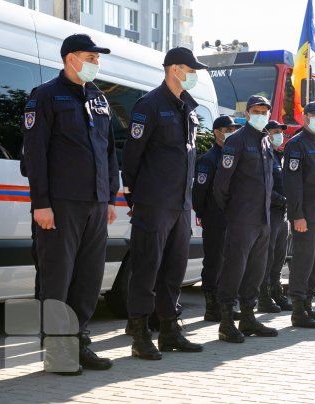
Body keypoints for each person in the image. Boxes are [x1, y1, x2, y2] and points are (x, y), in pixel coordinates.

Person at [22, 34, 118, 375]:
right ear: (70, 59)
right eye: (90, 57)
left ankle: (80, 342)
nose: (95, 63)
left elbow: (108, 151)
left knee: (88, 279)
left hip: (94, 204)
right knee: (57, 279)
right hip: (60, 205)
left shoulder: (98, 99)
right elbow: (34, 154)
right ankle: (56, 351)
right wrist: (41, 203)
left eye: (97, 58)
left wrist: (109, 196)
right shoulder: (45, 96)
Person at [122, 47, 206, 360]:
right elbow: (132, 157)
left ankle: (170, 329)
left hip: (181, 205)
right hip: (154, 202)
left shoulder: (188, 107)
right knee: (146, 268)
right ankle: (140, 333)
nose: (194, 74)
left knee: (174, 270)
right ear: (173, 69)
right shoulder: (150, 105)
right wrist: (135, 197)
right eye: (190, 69)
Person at [213, 95, 278, 342]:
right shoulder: (236, 140)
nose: (262, 114)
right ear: (248, 113)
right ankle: (227, 321)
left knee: (256, 270)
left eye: (265, 110)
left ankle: (249, 317)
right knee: (234, 269)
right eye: (257, 110)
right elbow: (222, 183)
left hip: (263, 218)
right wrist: (233, 210)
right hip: (241, 218)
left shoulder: (265, 142)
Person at [283, 101, 315, 328]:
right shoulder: (296, 145)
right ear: (305, 117)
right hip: (306, 216)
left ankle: (308, 306)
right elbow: (292, 183)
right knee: (303, 262)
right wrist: (297, 215)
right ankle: (297, 310)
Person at [192, 115, 241, 321]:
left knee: (229, 263)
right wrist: (202, 214)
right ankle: (212, 307)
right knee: (214, 263)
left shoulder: (234, 155)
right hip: (214, 219)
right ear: (217, 132)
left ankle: (225, 304)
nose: (231, 133)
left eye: (233, 129)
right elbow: (199, 191)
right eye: (227, 129)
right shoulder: (208, 160)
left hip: (233, 219)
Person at [258, 119, 291, 313]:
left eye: (281, 132)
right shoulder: (264, 156)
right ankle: (263, 297)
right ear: (267, 134)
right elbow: (265, 188)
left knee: (279, 257)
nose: (279, 135)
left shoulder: (281, 156)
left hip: (283, 215)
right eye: (275, 131)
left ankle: (276, 292)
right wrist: (283, 200)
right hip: (270, 214)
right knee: (267, 257)